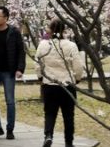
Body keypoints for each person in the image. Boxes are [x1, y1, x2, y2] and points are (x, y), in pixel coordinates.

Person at [35, 18, 85, 147]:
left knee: (50, 113)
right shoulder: (71, 45)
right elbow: (78, 65)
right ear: (64, 30)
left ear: (50, 30)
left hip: (49, 84)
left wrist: (41, 77)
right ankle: (69, 142)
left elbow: (38, 64)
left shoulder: (43, 45)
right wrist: (77, 78)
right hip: (67, 84)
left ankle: (48, 135)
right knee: (68, 116)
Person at [0, 5, 26, 140]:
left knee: (10, 101)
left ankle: (10, 129)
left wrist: (20, 68)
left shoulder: (14, 32)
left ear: (6, 18)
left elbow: (21, 50)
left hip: (9, 71)